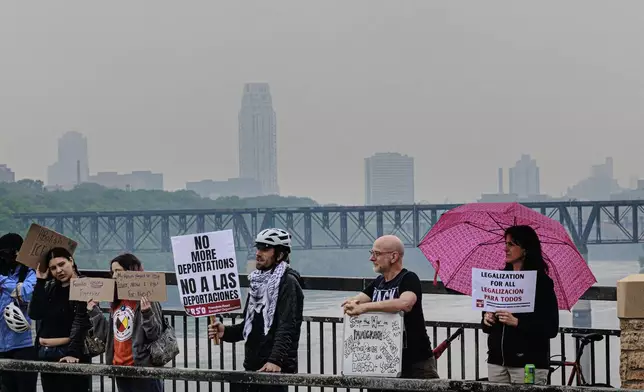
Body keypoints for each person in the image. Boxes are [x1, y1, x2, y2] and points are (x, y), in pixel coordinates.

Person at [208, 228, 304, 392]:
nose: (258, 253)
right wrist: (225, 332)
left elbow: (287, 327)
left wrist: (275, 361)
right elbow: (248, 326)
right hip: (253, 367)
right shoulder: (258, 282)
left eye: (265, 249)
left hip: (273, 370)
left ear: (280, 254)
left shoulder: (288, 282)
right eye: (258, 248)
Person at [342, 234, 439, 388]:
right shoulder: (378, 283)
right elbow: (357, 300)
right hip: (384, 362)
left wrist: (364, 307)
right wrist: (351, 304)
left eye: (377, 254)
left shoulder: (408, 278)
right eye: (371, 253)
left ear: (394, 257)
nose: (372, 259)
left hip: (415, 362)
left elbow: (405, 303)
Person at [481, 225, 559, 385]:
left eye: (511, 244)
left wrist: (517, 322)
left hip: (528, 364)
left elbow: (551, 328)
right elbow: (486, 327)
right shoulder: (499, 280)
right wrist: (486, 319)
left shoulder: (542, 283)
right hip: (497, 362)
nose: (505, 249)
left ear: (525, 249)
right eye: (505, 243)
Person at [87, 253, 165, 392]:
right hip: (120, 367)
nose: (115, 276)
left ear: (132, 272)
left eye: (119, 271)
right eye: (113, 272)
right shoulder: (116, 301)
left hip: (142, 369)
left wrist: (147, 313)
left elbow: (155, 334)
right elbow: (107, 336)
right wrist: (94, 311)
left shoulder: (147, 298)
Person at [28, 247, 92, 392]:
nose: (58, 270)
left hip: (68, 354)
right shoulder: (51, 286)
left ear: (71, 260)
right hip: (45, 353)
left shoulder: (83, 285)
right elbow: (35, 314)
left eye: (62, 264)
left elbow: (81, 321)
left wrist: (73, 352)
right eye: (53, 268)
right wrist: (40, 282)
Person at [0, 233, 38, 392]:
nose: (7, 257)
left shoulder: (31, 272)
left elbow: (28, 293)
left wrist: (2, 281)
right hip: (2, 343)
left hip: (24, 342)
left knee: (25, 387)